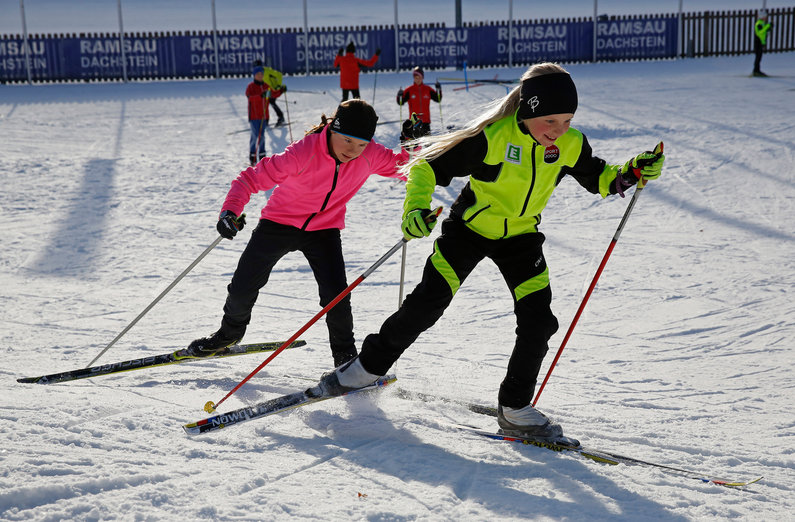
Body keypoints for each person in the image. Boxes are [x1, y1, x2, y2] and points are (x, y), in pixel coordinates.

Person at [312, 63, 665, 441]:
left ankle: (515, 407)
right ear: (528, 111)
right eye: (550, 120)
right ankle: (364, 369)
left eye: (566, 121)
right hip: (469, 230)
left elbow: (599, 177)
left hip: (521, 238)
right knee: (427, 305)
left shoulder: (570, 144)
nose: (558, 131)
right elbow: (427, 168)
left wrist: (631, 172)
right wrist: (415, 208)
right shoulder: (493, 138)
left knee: (539, 321)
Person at [187, 100, 412, 368]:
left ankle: (345, 358)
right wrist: (229, 212)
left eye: (362, 144)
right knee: (243, 286)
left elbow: (406, 168)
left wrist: (414, 144)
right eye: (347, 141)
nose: (353, 151)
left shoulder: (369, 154)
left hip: (324, 230)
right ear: (331, 129)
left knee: (337, 297)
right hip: (279, 223)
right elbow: (249, 179)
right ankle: (229, 334)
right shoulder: (303, 153)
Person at [246, 63, 285, 166]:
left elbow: (274, 94)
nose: (260, 76)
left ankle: (262, 156)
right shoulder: (251, 87)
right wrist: (261, 96)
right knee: (256, 136)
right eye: (258, 74)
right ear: (254, 75)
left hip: (264, 116)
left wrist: (281, 91)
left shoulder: (266, 86)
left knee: (262, 136)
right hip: (254, 117)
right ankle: (253, 157)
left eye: (261, 74)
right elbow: (250, 97)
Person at [396, 66, 442, 137]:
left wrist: (439, 90)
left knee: (428, 145)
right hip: (414, 122)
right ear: (413, 78)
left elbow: (438, 99)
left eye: (419, 78)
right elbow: (400, 102)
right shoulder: (409, 90)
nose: (417, 80)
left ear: (422, 78)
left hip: (426, 122)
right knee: (416, 146)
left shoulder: (428, 89)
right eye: (416, 78)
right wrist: (399, 96)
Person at [753, 10, 772, 77]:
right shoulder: (758, 24)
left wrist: (768, 28)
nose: (766, 18)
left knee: (759, 57)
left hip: (761, 42)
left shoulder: (762, 23)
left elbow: (763, 33)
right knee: (758, 57)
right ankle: (755, 71)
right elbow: (760, 32)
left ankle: (757, 70)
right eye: (765, 17)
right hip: (757, 43)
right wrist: (767, 26)